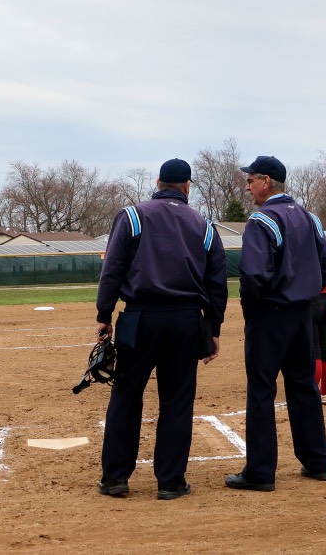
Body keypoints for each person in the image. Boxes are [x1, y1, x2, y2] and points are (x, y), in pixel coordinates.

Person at [95, 158, 227, 501]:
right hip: (185, 320)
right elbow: (217, 282)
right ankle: (170, 482)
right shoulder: (204, 224)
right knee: (177, 401)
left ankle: (115, 479)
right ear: (187, 186)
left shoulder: (132, 216)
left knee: (126, 396)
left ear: (157, 182)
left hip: (140, 318)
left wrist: (104, 313)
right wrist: (213, 327)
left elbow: (112, 268)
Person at [226, 155, 326, 493]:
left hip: (270, 314)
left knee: (262, 390)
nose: (247, 186)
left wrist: (251, 308)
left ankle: (260, 472)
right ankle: (318, 462)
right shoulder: (310, 217)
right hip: (304, 313)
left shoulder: (262, 220)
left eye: (250, 180)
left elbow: (253, 275)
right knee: (304, 385)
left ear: (266, 181)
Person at [312, 285, 326, 404]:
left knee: (314, 351)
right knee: (325, 349)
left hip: (312, 302)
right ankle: (325, 393)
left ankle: (312, 394)